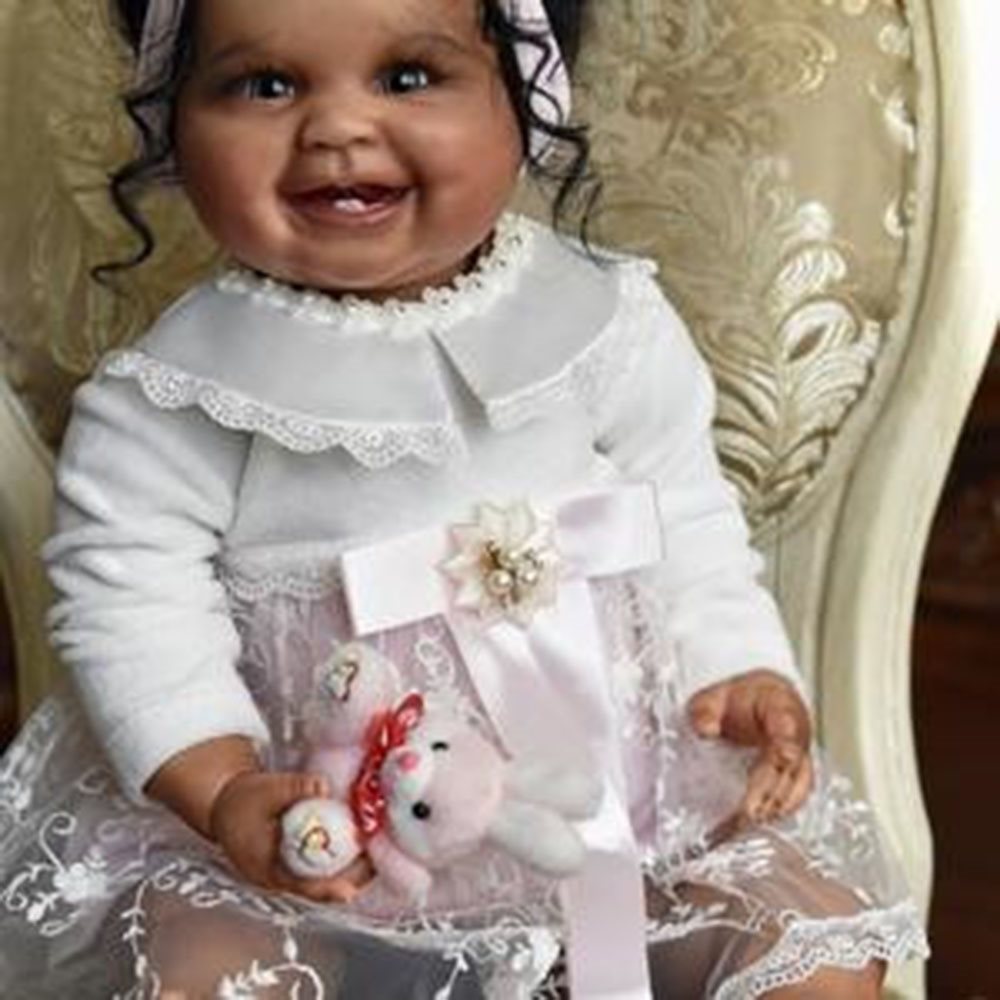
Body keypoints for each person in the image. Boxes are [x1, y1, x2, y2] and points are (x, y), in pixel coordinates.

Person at [0, 0, 928, 996]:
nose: (336, 128)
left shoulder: (603, 323)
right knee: (208, 967)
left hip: (624, 822)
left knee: (814, 941)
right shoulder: (174, 398)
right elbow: (129, 610)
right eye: (265, 85)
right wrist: (223, 789)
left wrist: (740, 671)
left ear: (525, 94)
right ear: (173, 123)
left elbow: (690, 524)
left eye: (408, 76)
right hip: (311, 853)